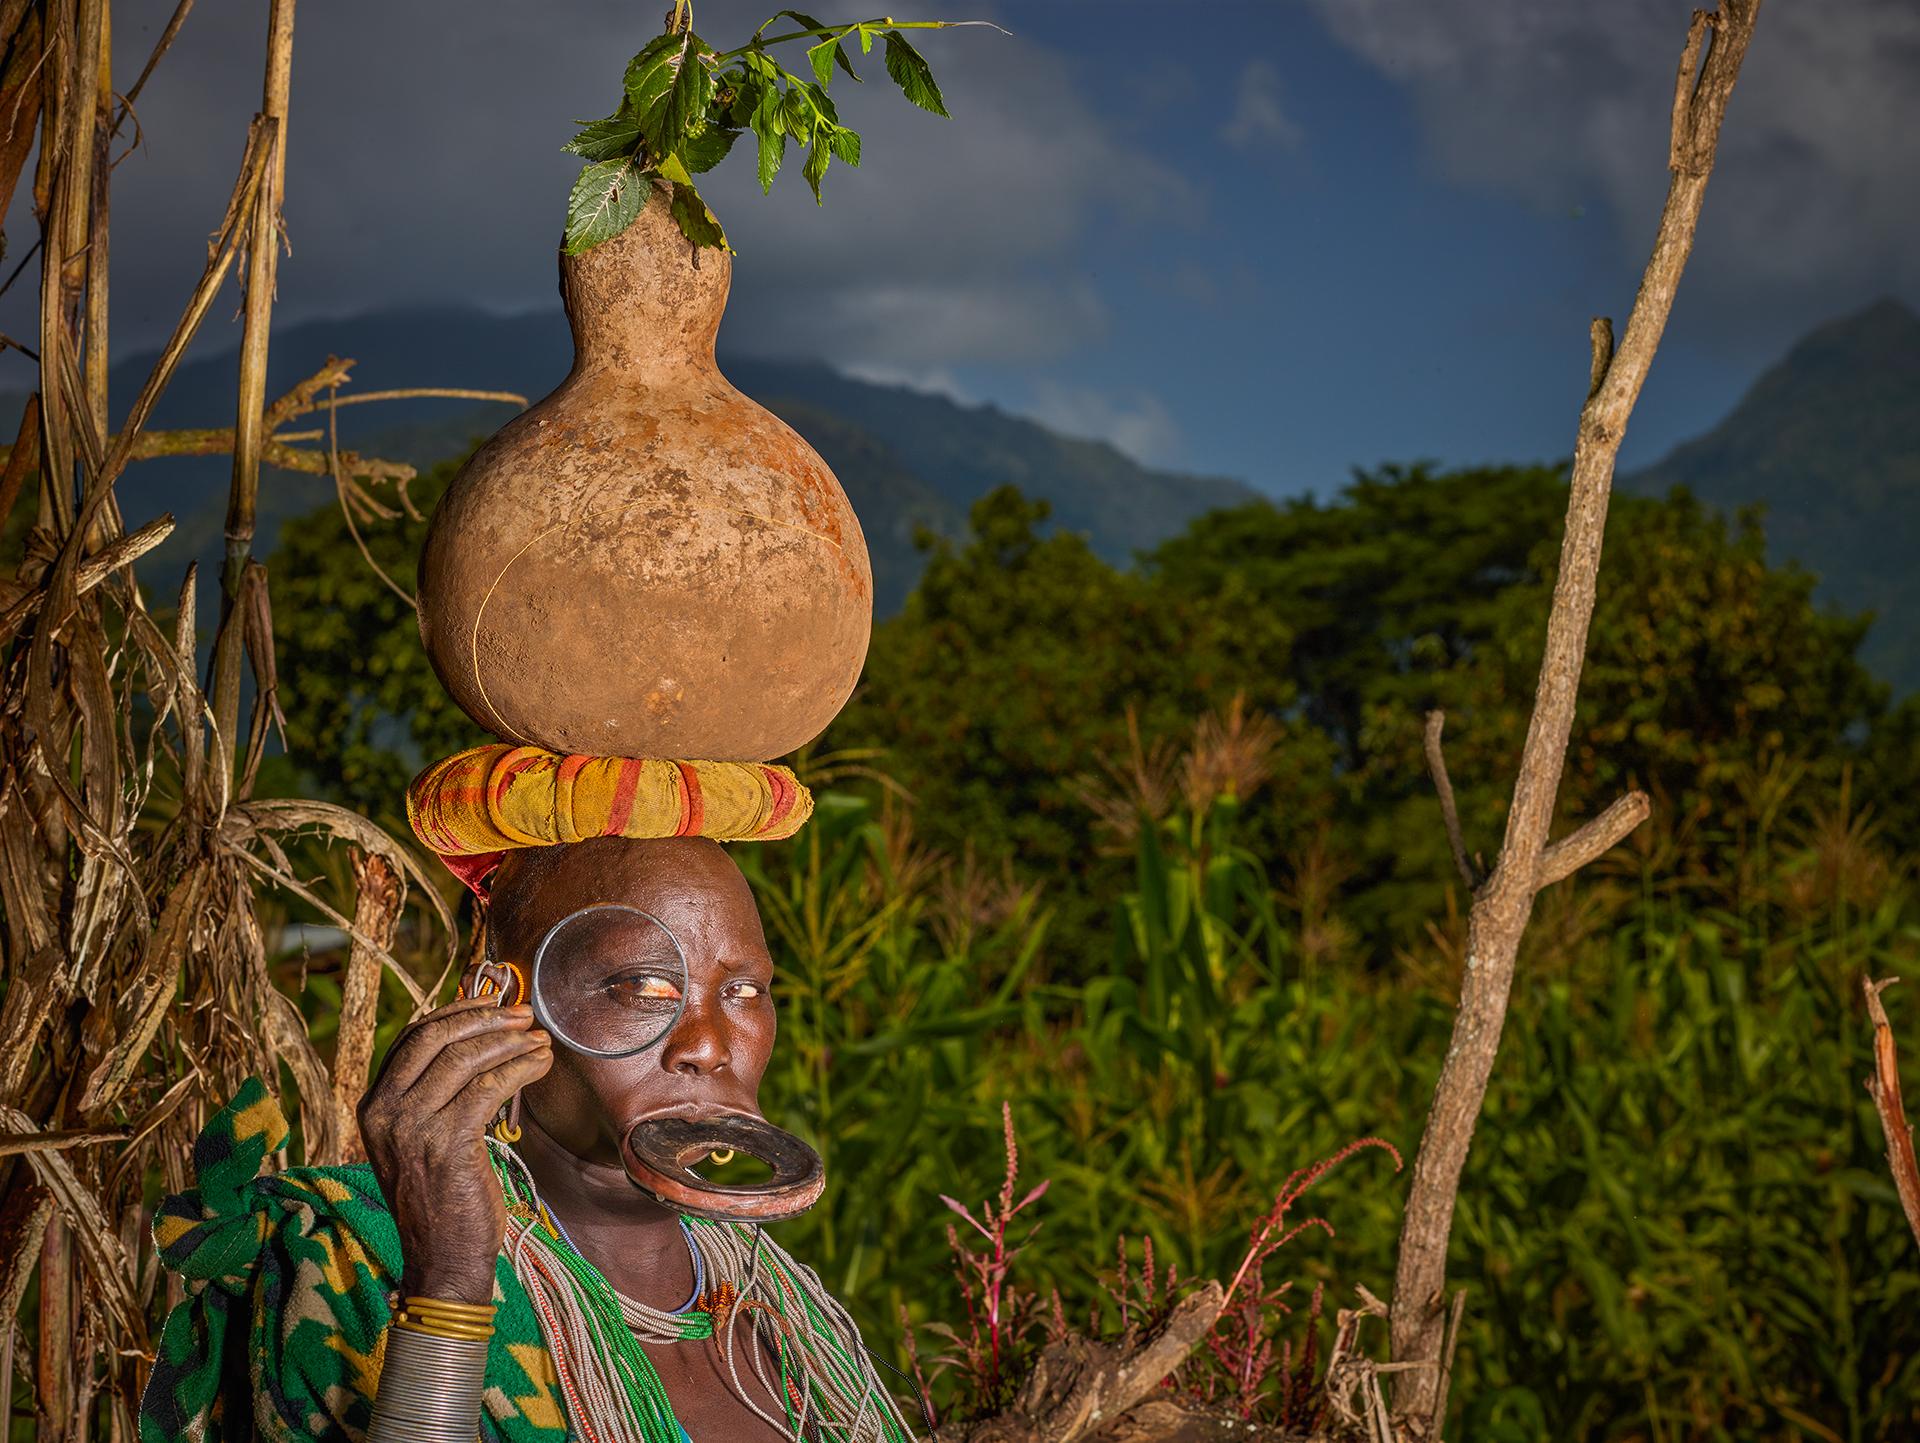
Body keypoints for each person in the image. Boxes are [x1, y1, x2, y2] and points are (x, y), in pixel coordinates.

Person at [139, 822, 919, 1442]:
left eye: (745, 989)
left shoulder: (776, 1305)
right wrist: (448, 1282)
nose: (711, 1042)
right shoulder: (357, 1266)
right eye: (643, 985)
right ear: (502, 1008)